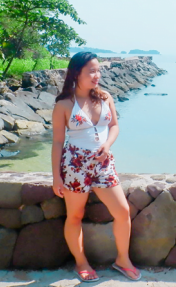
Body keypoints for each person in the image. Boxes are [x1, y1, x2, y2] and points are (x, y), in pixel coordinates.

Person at [52, 52, 141, 282]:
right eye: (91, 71)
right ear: (76, 73)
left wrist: (107, 145)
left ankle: (123, 260)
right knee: (75, 215)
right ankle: (81, 263)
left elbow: (114, 126)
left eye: (98, 70)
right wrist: (56, 177)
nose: (97, 75)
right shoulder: (64, 104)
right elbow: (58, 142)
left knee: (122, 212)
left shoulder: (105, 97)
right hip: (75, 165)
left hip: (103, 163)